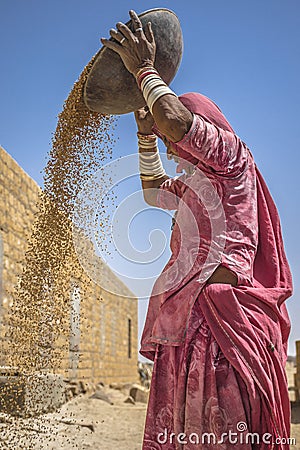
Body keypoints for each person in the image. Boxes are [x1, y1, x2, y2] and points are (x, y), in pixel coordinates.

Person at [102, 10, 293, 450]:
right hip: (188, 332)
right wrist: (145, 136)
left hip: (229, 328)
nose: (173, 147)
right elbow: (153, 193)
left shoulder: (231, 156)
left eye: (175, 139)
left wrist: (145, 71)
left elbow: (173, 118)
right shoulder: (193, 186)